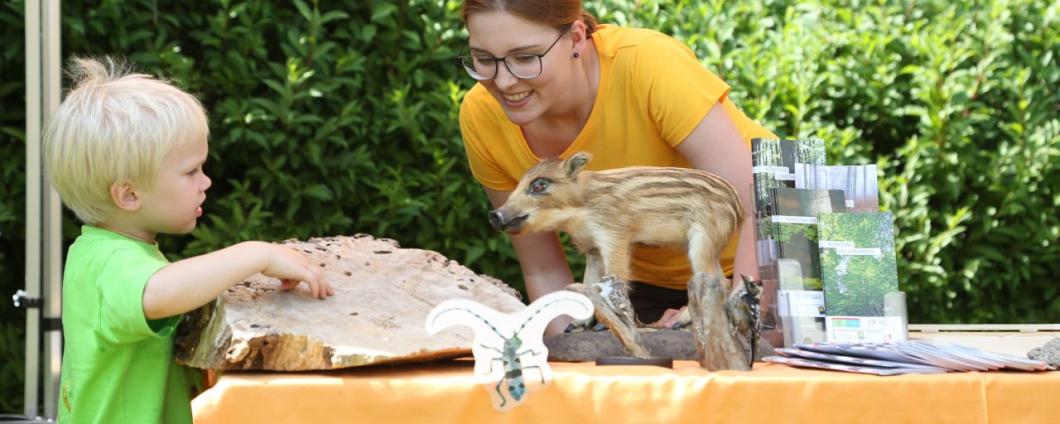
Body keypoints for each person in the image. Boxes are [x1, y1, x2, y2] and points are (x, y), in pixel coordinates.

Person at [457, 1, 777, 334]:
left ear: (576, 39)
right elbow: (543, 271)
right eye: (484, 59)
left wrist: (727, 316)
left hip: (767, 261)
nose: (504, 82)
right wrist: (570, 355)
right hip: (644, 284)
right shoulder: (482, 117)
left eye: (525, 58)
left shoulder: (648, 65)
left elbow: (760, 208)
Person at [43, 57, 335, 423]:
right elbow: (159, 293)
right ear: (129, 195)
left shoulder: (105, 251)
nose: (206, 182)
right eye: (190, 171)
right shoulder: (109, 262)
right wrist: (255, 254)